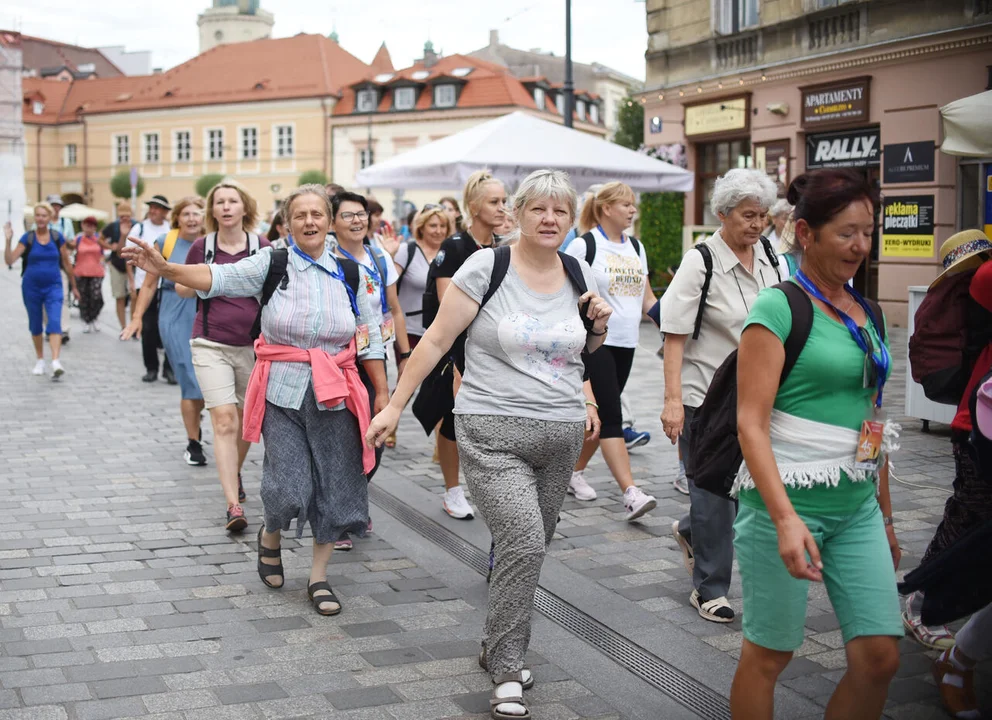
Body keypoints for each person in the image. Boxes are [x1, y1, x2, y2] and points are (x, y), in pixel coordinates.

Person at [367, 169, 611, 720]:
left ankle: (496, 642)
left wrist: (596, 327)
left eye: (561, 212)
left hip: (560, 433)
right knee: (522, 543)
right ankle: (506, 669)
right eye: (538, 210)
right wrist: (394, 405)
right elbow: (435, 340)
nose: (549, 220)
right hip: (491, 430)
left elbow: (581, 353)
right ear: (517, 214)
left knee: (531, 551)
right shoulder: (487, 266)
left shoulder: (579, 270)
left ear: (572, 219)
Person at [123, 183, 386, 617]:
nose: (309, 222)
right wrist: (166, 269)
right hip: (282, 390)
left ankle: (318, 577)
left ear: (331, 221)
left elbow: (370, 335)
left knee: (334, 486)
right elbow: (218, 278)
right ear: (286, 223)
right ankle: (271, 532)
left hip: (337, 393)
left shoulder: (352, 273)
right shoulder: (272, 262)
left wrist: (383, 396)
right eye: (299, 215)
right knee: (286, 489)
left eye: (317, 214)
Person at [730, 168, 902, 720]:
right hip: (784, 506)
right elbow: (750, 424)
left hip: (856, 507)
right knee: (770, 654)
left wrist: (887, 514)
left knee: (879, 657)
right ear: (805, 233)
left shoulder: (867, 312)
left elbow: (870, 419)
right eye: (846, 232)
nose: (860, 246)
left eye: (868, 232)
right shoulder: (778, 308)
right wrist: (784, 520)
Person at [661, 168, 779, 622]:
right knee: (713, 489)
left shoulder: (771, 254)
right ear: (722, 214)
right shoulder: (701, 261)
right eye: (748, 215)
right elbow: (673, 335)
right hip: (704, 395)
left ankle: (692, 530)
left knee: (741, 488)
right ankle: (709, 588)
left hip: (757, 393)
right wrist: (672, 401)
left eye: (762, 215)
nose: (757, 224)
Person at [903, 232, 992, 651]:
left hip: (976, 417)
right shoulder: (985, 279)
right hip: (979, 423)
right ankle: (923, 601)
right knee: (969, 513)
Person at [564, 182, 658, 521]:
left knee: (600, 418)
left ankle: (572, 472)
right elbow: (565, 290)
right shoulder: (584, 244)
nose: (632, 211)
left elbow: (647, 298)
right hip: (596, 342)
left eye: (633, 205)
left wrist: (673, 325)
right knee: (614, 415)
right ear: (605, 208)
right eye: (625, 205)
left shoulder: (636, 247)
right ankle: (631, 493)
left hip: (628, 342)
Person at [186, 179, 271, 531]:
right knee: (224, 421)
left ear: (244, 208)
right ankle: (233, 505)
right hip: (210, 343)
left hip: (253, 347)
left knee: (247, 424)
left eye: (232, 201)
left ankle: (232, 471)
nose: (225, 207)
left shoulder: (262, 246)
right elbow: (181, 284)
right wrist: (196, 279)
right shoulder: (201, 246)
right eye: (219, 202)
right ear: (213, 210)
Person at [330, 190, 411, 549]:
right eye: (348, 215)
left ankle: (354, 497)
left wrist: (404, 352)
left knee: (375, 437)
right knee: (344, 437)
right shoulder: (329, 259)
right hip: (342, 361)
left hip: (376, 358)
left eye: (361, 214)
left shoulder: (379, 256)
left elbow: (393, 309)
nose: (357, 220)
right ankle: (341, 513)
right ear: (333, 222)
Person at [427, 170, 508, 520]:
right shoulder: (456, 246)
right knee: (452, 418)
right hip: (458, 347)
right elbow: (448, 303)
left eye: (505, 201)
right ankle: (453, 490)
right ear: (474, 207)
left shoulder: (505, 246)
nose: (503, 208)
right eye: (495, 202)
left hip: (495, 347)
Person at [122, 197, 208, 467]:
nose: (192, 219)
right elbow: (148, 285)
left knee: (206, 379)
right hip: (173, 312)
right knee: (187, 374)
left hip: (205, 310)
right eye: (187, 214)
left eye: (197, 214)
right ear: (178, 218)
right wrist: (136, 317)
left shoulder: (210, 242)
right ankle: (193, 442)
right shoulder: (165, 241)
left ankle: (197, 415)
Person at [4, 204, 78, 378]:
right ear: (35, 218)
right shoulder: (27, 238)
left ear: (49, 217)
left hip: (54, 286)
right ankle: (40, 360)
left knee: (54, 322)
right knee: (36, 324)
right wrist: (8, 240)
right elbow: (9, 260)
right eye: (38, 215)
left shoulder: (56, 237)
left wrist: (74, 286)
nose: (41, 218)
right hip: (31, 287)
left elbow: (67, 263)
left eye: (44, 215)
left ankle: (55, 361)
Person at [127, 195, 174, 383]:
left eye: (158, 208)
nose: (154, 211)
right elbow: (128, 254)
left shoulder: (170, 230)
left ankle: (169, 369)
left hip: (167, 287)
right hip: (143, 284)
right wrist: (131, 280)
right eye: (152, 207)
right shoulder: (140, 228)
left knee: (169, 327)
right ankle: (151, 368)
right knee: (148, 328)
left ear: (165, 212)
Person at [69, 216, 111, 333]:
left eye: (92, 226)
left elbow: (107, 249)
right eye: (87, 225)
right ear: (83, 226)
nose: (89, 228)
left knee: (96, 296)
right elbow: (70, 248)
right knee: (83, 297)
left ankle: (94, 316)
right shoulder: (78, 238)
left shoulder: (98, 238)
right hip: (80, 271)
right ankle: (86, 320)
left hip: (96, 272)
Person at [45, 194, 75, 344]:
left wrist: (65, 240)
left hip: (61, 264)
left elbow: (73, 244)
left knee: (62, 298)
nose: (56, 208)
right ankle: (50, 327)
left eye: (58, 206)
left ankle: (63, 329)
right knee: (46, 300)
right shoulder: (41, 222)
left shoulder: (65, 222)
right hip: (45, 265)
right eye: (53, 205)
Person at [102, 202, 136, 330]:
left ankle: (133, 325)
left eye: (127, 216)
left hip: (134, 266)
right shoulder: (113, 226)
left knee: (134, 296)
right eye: (122, 216)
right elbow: (101, 239)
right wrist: (111, 245)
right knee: (120, 296)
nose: (125, 218)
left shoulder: (137, 226)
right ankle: (123, 327)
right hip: (117, 264)